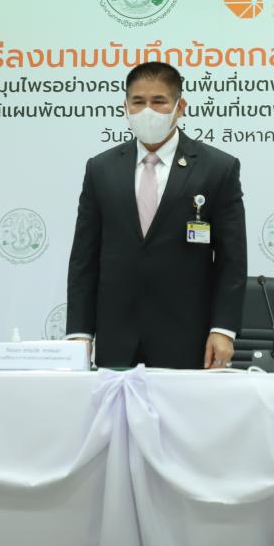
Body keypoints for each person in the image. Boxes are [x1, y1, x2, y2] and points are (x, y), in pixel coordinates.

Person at [66, 62, 247, 369]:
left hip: (189, 337)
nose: (147, 111)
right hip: (116, 336)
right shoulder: (100, 168)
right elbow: (84, 257)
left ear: (180, 107)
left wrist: (223, 329)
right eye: (138, 102)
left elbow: (232, 259)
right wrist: (80, 332)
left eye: (158, 101)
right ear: (126, 106)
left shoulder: (218, 168)